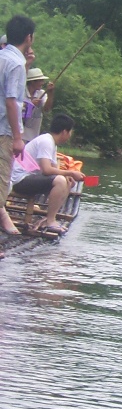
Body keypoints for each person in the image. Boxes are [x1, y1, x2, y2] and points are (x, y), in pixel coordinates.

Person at [9, 114, 84, 235]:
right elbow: (47, 170)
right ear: (65, 132)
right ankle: (51, 221)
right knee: (60, 180)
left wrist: (68, 176)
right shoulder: (46, 141)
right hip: (19, 180)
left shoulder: (51, 143)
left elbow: (54, 168)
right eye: (70, 132)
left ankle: (50, 217)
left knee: (66, 181)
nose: (70, 135)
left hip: (29, 178)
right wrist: (69, 172)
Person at [0, 15, 35, 245]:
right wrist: (18, 137)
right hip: (3, 131)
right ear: (28, 37)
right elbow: (12, 101)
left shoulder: (3, 56)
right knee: (2, 182)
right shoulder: (16, 63)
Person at [22, 67, 54, 142]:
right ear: (33, 82)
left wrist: (50, 94)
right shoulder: (21, 92)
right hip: (19, 135)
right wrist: (30, 104)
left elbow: (46, 109)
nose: (42, 83)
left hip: (33, 136)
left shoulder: (42, 93)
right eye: (40, 81)